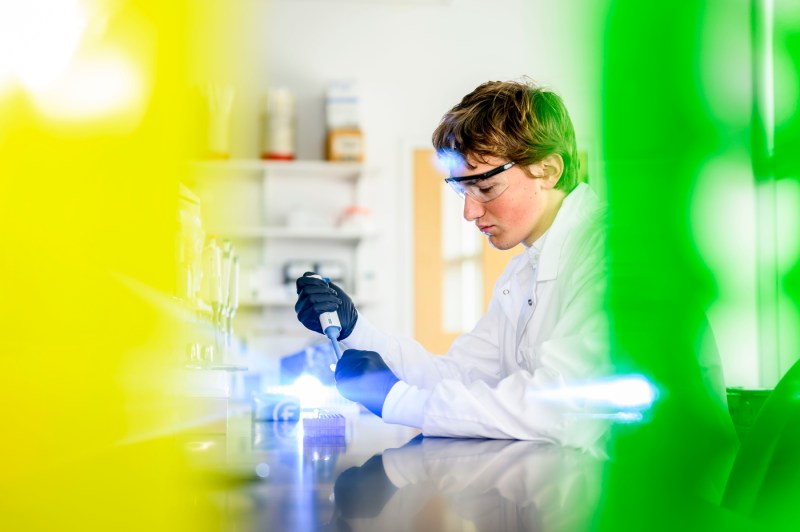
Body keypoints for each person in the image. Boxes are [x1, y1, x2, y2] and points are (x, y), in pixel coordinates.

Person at [295, 79, 612, 447]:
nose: (469, 211)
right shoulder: (525, 271)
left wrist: (396, 399)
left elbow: (560, 405)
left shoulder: (614, 254)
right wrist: (354, 330)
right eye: (462, 190)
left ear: (548, 169)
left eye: (486, 188)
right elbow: (457, 376)